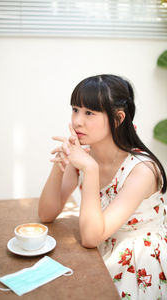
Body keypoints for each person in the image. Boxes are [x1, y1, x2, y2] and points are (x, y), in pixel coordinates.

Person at [38, 74, 167, 299]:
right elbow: (46, 213)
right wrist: (60, 164)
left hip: (138, 260)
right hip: (101, 247)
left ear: (118, 118)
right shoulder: (86, 154)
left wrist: (90, 170)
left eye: (89, 113)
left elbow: (90, 238)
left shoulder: (142, 170)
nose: (78, 121)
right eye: (75, 109)